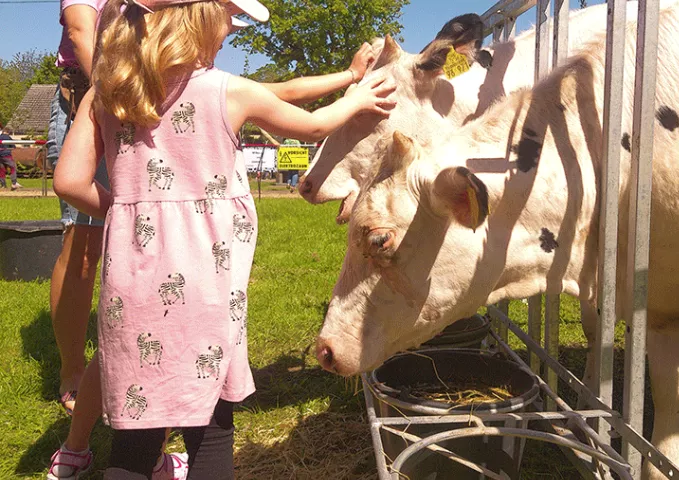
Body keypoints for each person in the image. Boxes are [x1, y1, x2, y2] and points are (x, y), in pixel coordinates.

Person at [51, 0, 395, 476]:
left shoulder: (106, 92)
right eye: (228, 18)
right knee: (210, 431)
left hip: (131, 281)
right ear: (202, 21)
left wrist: (130, 211)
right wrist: (357, 98)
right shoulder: (226, 92)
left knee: (134, 439)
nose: (231, 27)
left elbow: (67, 181)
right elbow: (313, 124)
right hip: (205, 282)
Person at [46, 0, 110, 416]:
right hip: (90, 99)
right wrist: (120, 101)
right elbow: (80, 30)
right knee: (85, 245)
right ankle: (73, 370)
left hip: (146, 103)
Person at [0, 125, 20, 190]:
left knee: (2, 170)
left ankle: (3, 185)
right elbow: (13, 146)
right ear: (8, 132)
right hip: (6, 155)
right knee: (13, 167)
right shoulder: (8, 137)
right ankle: (14, 183)